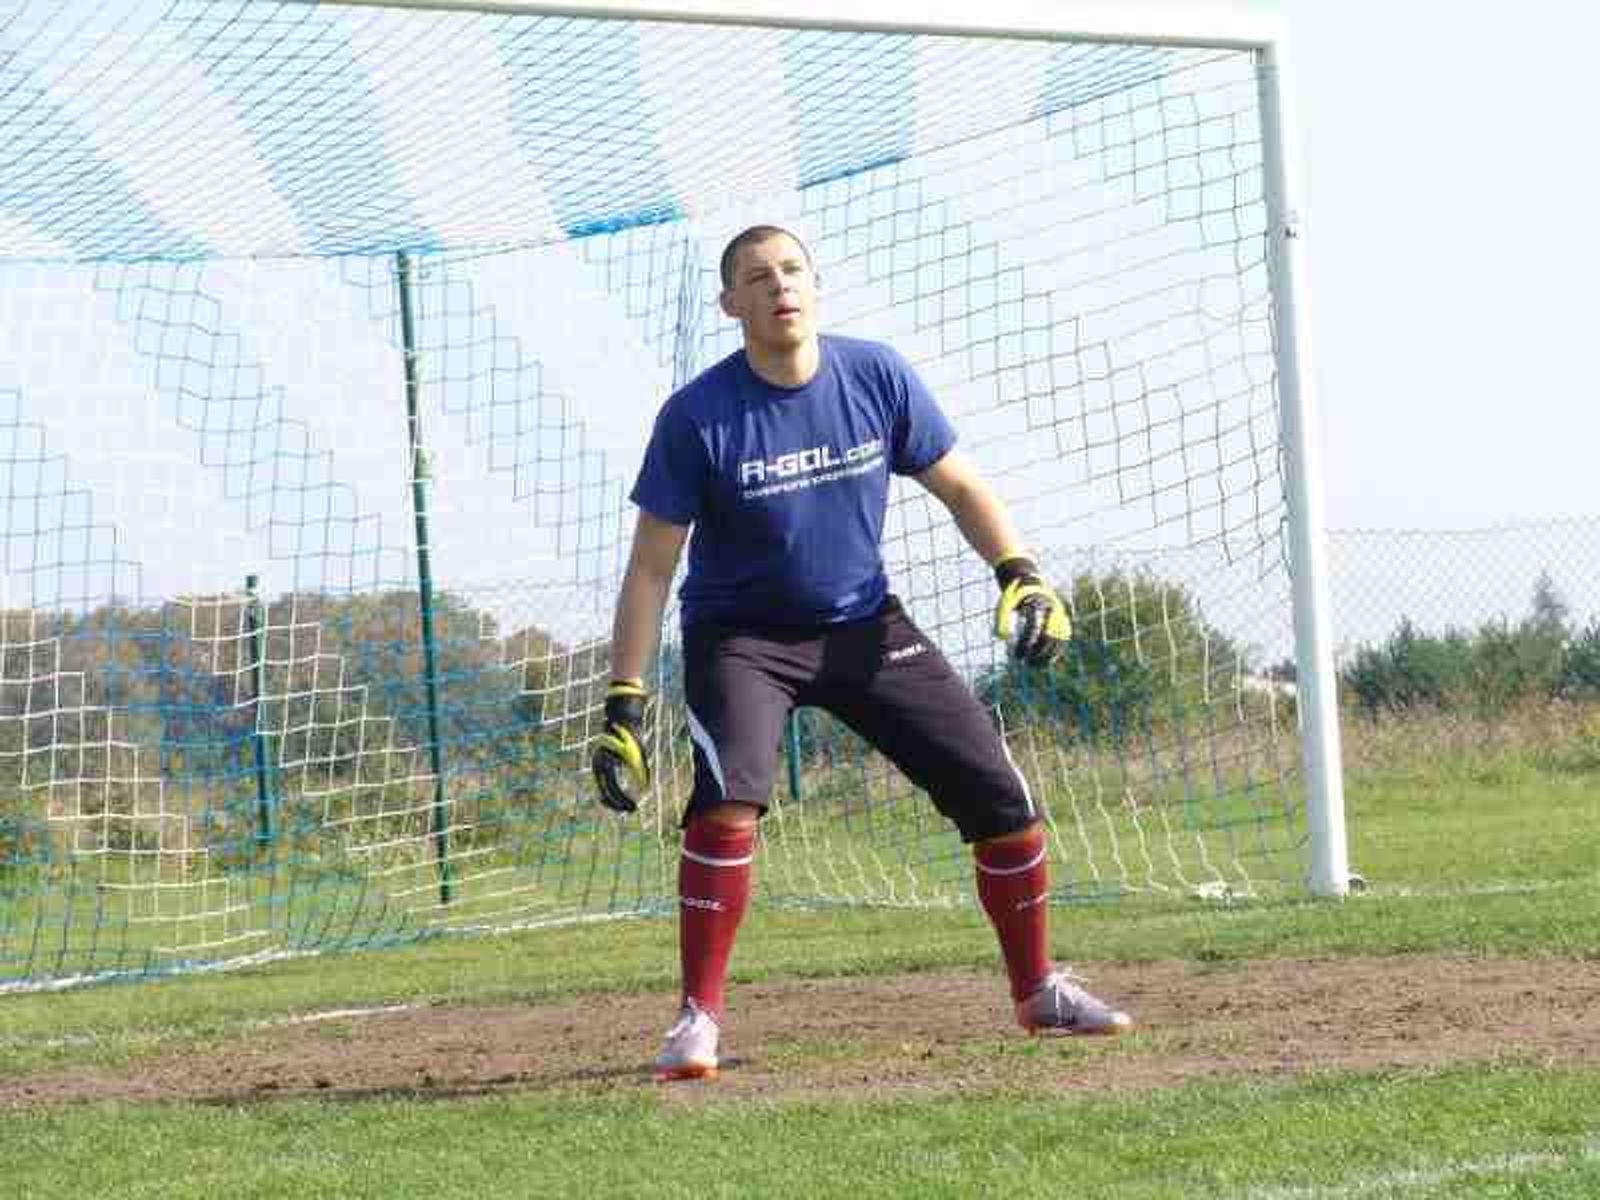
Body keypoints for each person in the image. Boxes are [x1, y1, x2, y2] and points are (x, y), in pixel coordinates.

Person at [592, 225, 1133, 1082]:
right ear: (732, 304)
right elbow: (652, 568)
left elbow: (959, 484)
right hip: (744, 642)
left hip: (865, 627)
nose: (781, 288)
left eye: (793, 271)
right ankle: (697, 1021)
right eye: (758, 279)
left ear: (815, 284)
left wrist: (1020, 574)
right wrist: (624, 702)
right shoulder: (696, 417)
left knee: (1005, 803)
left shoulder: (875, 373)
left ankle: (1039, 990)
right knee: (728, 805)